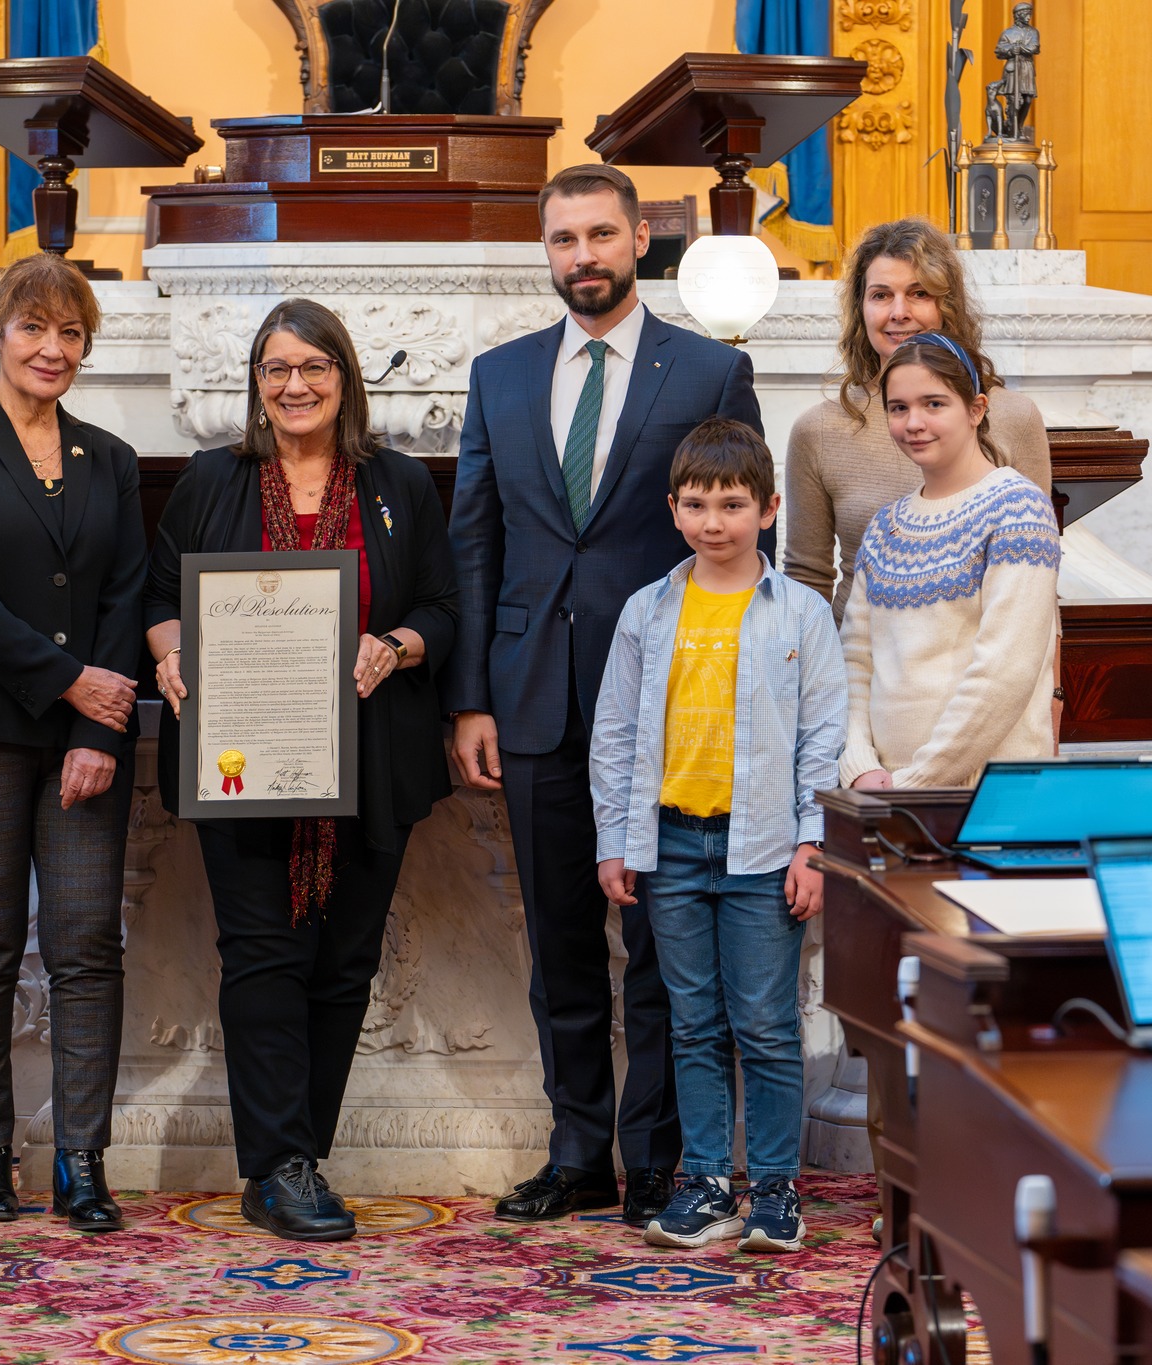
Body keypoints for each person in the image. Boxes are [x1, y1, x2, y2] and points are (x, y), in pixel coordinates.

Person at [446, 163, 765, 1228]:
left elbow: (748, 535)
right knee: (560, 946)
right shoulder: (497, 376)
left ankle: (659, 1164)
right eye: (560, 240)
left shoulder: (709, 371)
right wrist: (472, 699)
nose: (578, 256)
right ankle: (577, 1154)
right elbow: (474, 542)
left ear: (638, 241)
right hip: (531, 701)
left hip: (673, 706)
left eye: (597, 235)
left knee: (664, 948)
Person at [146, 298, 458, 1242]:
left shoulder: (400, 481)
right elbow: (163, 598)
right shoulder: (211, 481)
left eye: (314, 367)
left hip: (372, 761)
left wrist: (398, 644)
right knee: (263, 958)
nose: (295, 386)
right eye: (276, 369)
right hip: (241, 758)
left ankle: (298, 1158)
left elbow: (444, 606)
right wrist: (170, 653)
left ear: (344, 377)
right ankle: (278, 1162)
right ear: (255, 382)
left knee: (342, 963)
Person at [0, 254, 145, 1233]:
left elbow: (127, 595)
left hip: (84, 746)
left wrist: (95, 724)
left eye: (70, 332)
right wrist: (67, 679)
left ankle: (82, 1164)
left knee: (86, 945)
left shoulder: (111, 459)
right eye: (33, 327)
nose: (52, 349)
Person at [589, 418, 847, 1255]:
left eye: (732, 504)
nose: (714, 521)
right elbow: (618, 732)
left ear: (768, 508)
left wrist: (813, 844)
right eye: (696, 503)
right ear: (672, 509)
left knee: (767, 1023)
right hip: (671, 844)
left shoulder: (801, 613)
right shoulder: (648, 610)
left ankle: (774, 1187)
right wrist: (614, 839)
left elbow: (823, 738)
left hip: (764, 848)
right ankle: (705, 1181)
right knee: (692, 1021)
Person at [784, 218, 1051, 622]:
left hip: (980, 658)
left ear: (947, 305)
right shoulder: (817, 431)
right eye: (880, 295)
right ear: (861, 308)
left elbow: (1038, 573)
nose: (899, 312)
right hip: (858, 659)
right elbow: (807, 578)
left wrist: (1052, 683)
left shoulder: (1015, 417)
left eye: (919, 293)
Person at [840, 334, 1061, 790]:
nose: (913, 422)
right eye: (898, 408)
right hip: (884, 792)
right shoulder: (885, 528)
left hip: (984, 793)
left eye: (934, 404)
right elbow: (855, 662)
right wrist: (860, 764)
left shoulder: (1017, 508)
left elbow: (1005, 671)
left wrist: (918, 782)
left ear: (976, 409)